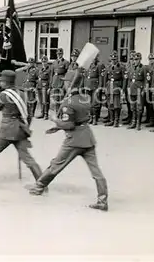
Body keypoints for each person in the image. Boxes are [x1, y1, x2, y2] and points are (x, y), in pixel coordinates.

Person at [29, 68, 108, 211]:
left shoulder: (69, 102)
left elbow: (70, 124)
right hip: (87, 137)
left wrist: (56, 121)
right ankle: (103, 199)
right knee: (96, 171)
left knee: (56, 164)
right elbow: (78, 119)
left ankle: (38, 186)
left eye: (65, 82)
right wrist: (59, 127)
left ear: (69, 83)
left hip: (74, 140)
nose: (64, 84)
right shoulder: (85, 98)